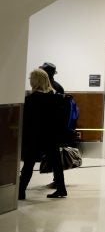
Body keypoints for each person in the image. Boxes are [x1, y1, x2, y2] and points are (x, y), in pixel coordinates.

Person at [18, 68, 67, 199]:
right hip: (51, 136)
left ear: (35, 81)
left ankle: (21, 191)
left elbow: (26, 122)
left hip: (34, 136)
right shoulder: (55, 98)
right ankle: (61, 189)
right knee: (56, 163)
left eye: (30, 79)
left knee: (28, 164)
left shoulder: (30, 100)